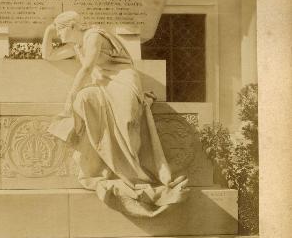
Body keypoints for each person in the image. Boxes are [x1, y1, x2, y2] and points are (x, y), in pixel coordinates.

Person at [42, 11, 189, 217]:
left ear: (73, 26)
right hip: (102, 85)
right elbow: (48, 55)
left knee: (128, 121)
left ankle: (139, 174)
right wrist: (49, 30)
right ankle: (106, 162)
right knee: (84, 100)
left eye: (60, 28)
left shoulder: (93, 36)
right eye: (57, 29)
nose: (59, 33)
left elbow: (87, 67)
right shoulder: (77, 45)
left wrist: (69, 95)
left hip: (122, 81)